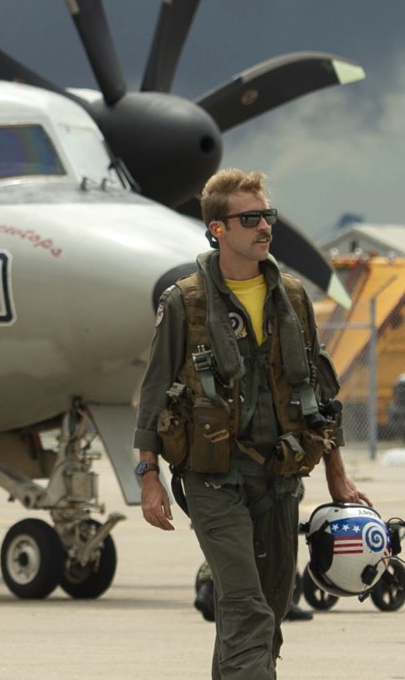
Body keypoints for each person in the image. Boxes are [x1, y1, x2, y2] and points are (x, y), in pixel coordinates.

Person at [135, 170, 369, 678]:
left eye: (268, 217)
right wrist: (147, 476)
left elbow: (318, 392)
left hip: (280, 477)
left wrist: (337, 473)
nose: (264, 227)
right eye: (250, 219)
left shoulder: (294, 297)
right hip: (212, 478)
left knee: (272, 606)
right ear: (218, 229)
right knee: (245, 605)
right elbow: (153, 394)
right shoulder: (184, 302)